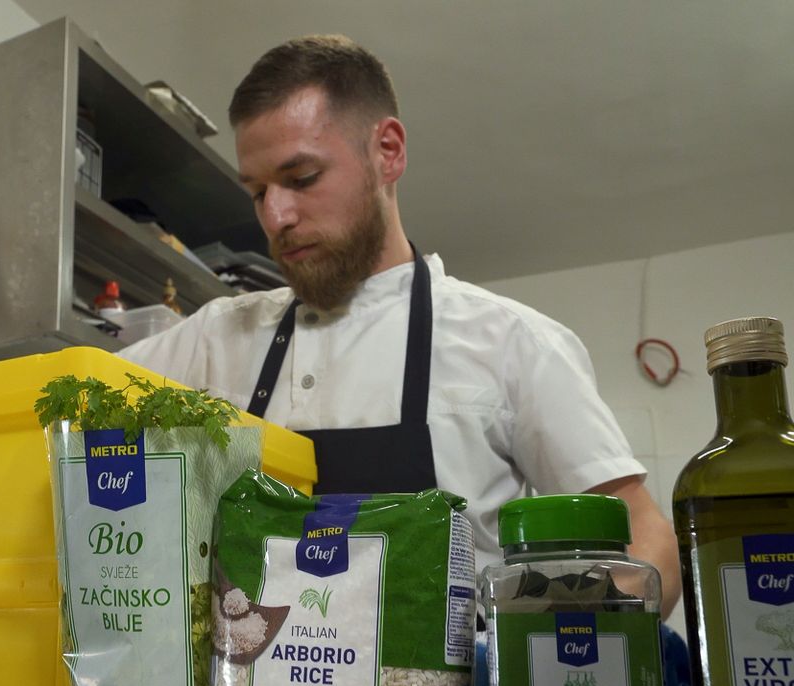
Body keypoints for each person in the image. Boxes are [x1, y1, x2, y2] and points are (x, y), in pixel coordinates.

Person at [120, 34, 680, 614]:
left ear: (387, 151)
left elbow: (648, 546)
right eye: (258, 192)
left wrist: (556, 652)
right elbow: (68, 399)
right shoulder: (216, 337)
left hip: (448, 676)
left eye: (302, 178)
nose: (276, 216)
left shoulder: (511, 342)